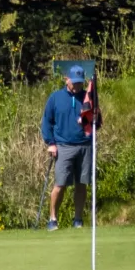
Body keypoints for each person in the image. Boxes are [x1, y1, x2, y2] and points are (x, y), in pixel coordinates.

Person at [43, 64, 98, 230]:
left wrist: (89, 121)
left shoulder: (88, 98)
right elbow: (47, 122)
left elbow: (97, 122)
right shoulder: (55, 98)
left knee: (82, 184)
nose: (77, 85)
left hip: (84, 145)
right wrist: (51, 143)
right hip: (63, 146)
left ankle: (78, 220)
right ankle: (53, 219)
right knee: (60, 185)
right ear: (66, 79)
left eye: (80, 82)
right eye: (74, 82)